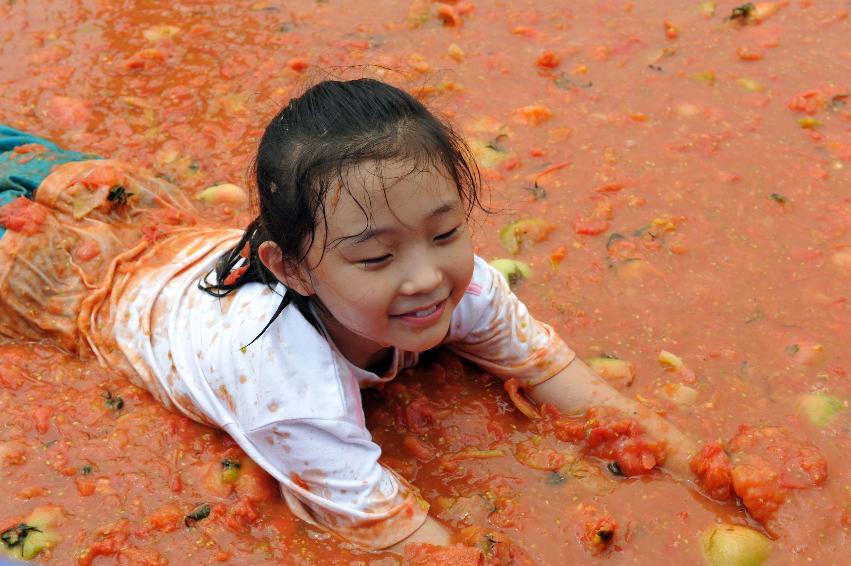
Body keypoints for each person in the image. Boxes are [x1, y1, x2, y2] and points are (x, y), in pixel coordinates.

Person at [0, 79, 696, 551]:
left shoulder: (461, 284)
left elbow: (585, 394)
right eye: (374, 259)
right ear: (290, 266)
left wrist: (708, 474)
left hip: (115, 198)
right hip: (45, 275)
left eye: (445, 234)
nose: (425, 277)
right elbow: (409, 538)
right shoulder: (284, 384)